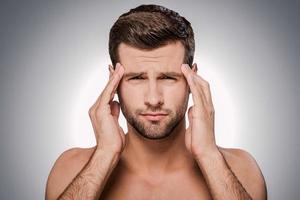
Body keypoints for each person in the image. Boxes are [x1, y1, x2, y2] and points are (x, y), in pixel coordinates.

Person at [45, 4, 267, 200]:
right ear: (113, 81)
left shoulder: (241, 170)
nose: (153, 99)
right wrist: (104, 155)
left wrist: (208, 156)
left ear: (193, 80)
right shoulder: (71, 169)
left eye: (168, 78)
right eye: (137, 78)